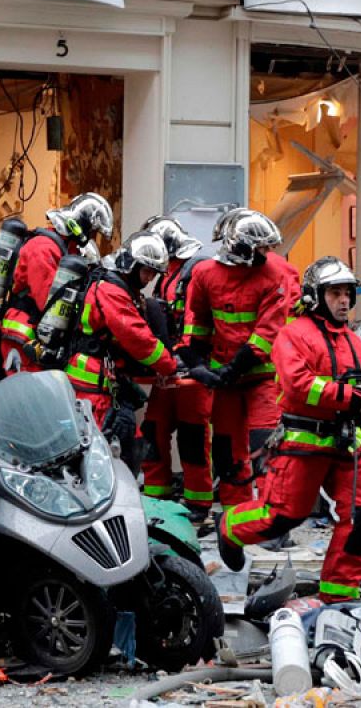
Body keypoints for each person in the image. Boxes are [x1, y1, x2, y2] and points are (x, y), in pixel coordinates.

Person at [217, 258, 361, 602]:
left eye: (348, 294)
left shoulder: (354, 343)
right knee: (281, 518)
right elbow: (298, 386)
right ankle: (231, 528)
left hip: (347, 444)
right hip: (304, 442)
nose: (344, 301)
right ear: (316, 297)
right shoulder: (292, 335)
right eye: (335, 293)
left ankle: (338, 598)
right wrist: (346, 396)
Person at [178, 211, 301, 515]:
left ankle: (273, 516)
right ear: (241, 247)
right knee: (226, 449)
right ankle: (238, 515)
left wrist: (232, 369)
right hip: (225, 379)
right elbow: (199, 322)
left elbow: (267, 331)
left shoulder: (276, 274)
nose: (266, 254)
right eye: (261, 248)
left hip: (263, 377)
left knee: (268, 444)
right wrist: (197, 362)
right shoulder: (205, 274)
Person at [63, 231, 179, 466]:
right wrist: (170, 365)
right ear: (131, 264)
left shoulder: (116, 285)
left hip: (100, 378)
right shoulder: (111, 291)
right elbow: (139, 339)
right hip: (93, 384)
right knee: (100, 450)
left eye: (153, 275)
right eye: (147, 272)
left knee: (120, 444)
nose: (148, 280)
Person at [137, 216, 216, 519]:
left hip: (193, 372)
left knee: (193, 439)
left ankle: (198, 505)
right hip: (169, 370)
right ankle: (158, 498)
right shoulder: (167, 275)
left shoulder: (195, 272)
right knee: (154, 430)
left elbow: (197, 322)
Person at [0, 192, 115, 377]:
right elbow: (48, 300)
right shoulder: (44, 248)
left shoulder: (58, 247)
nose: (92, 237)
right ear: (82, 224)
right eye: (93, 232)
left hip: (35, 334)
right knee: (27, 400)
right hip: (24, 334)